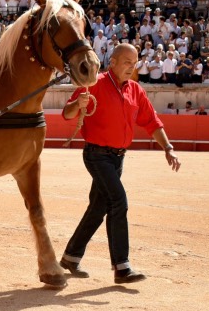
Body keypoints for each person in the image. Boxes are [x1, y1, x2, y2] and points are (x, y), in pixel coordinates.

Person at [59, 44, 180, 284]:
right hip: (97, 155)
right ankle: (122, 267)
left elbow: (152, 122)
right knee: (118, 202)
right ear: (112, 62)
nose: (131, 67)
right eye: (126, 62)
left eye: (134, 63)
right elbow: (67, 114)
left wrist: (168, 147)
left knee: (97, 209)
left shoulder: (135, 90)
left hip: (118, 158)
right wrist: (78, 104)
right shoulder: (94, 83)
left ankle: (71, 257)